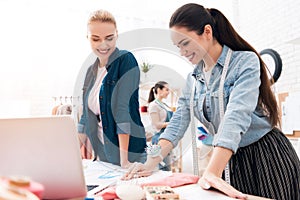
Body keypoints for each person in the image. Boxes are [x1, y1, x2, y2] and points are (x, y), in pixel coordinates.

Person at [124, 3, 300, 200]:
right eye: (178, 47)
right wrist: (150, 162)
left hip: (265, 156)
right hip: (230, 160)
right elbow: (176, 125)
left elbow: (236, 115)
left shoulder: (244, 62)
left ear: (207, 32)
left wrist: (212, 171)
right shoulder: (193, 79)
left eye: (185, 43)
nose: (182, 52)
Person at [77, 9, 146, 168]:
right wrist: (70, 155)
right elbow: (86, 118)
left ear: (116, 35)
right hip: (103, 153)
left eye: (109, 38)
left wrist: (124, 161)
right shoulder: (90, 72)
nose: (103, 44)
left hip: (128, 154)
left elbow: (123, 110)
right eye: (96, 39)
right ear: (88, 38)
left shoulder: (125, 60)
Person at [147, 81, 173, 170]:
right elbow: (157, 125)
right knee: (162, 169)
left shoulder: (165, 105)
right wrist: (172, 124)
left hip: (167, 138)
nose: (168, 92)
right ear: (159, 90)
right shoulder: (153, 105)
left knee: (167, 167)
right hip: (158, 140)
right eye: (166, 89)